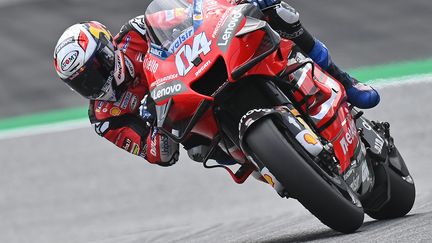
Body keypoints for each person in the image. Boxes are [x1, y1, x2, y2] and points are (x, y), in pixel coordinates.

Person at [53, 0, 380, 167]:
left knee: (273, 10)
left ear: (108, 50)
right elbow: (161, 155)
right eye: (82, 84)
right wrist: (157, 126)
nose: (94, 85)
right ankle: (275, 168)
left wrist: (225, 9)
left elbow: (192, 15)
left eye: (95, 70)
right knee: (197, 151)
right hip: (193, 120)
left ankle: (343, 81)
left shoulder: (136, 32)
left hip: (206, 68)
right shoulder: (105, 116)